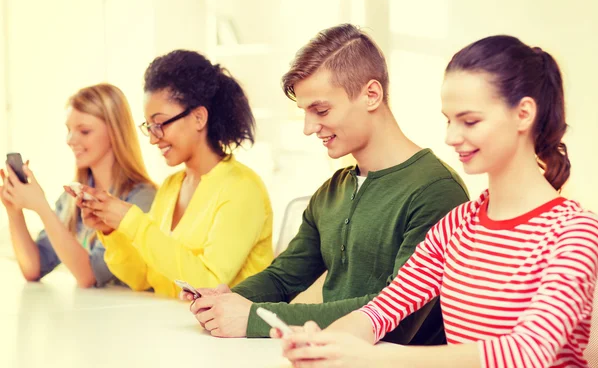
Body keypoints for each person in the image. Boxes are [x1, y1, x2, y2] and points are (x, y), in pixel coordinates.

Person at [279, 35, 598, 368]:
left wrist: (373, 360)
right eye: (449, 120)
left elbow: (528, 351)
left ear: (523, 114)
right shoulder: (458, 225)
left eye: (470, 121)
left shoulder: (575, 232)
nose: (450, 138)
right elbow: (383, 309)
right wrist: (326, 344)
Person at [183, 24, 469, 342]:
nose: (308, 127)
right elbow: (283, 277)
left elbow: (396, 316)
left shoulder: (437, 191)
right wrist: (227, 300)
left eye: (321, 110)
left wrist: (254, 319)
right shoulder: (333, 190)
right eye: (305, 112)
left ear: (371, 95)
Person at [78, 50, 274, 298]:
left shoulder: (242, 189)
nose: (152, 137)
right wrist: (111, 231)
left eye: (160, 124)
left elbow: (209, 285)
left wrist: (132, 221)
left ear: (198, 118)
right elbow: (142, 278)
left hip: (228, 335)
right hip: (174, 328)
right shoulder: (171, 186)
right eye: (149, 126)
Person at [0, 83, 156, 288]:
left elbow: (90, 276)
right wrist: (13, 210)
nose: (70, 140)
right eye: (69, 130)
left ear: (115, 132)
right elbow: (34, 267)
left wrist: (42, 207)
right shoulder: (71, 198)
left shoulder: (142, 198)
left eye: (84, 131)